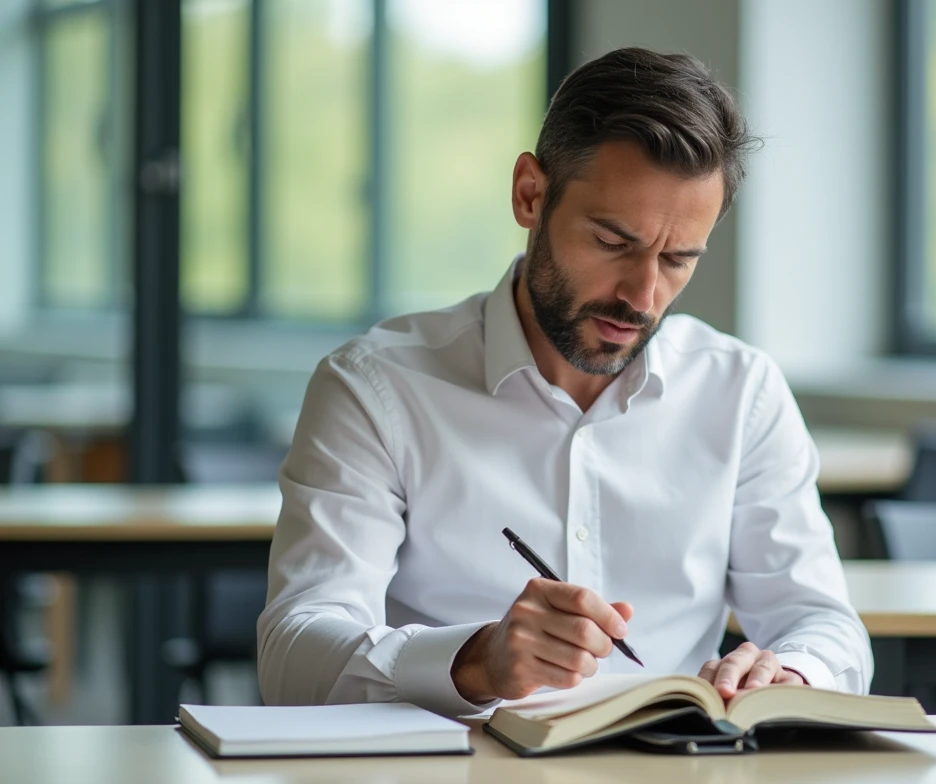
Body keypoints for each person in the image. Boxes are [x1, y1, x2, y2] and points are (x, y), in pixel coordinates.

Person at [257, 47, 872, 717]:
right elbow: (292, 657)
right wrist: (474, 662)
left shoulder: (741, 392)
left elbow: (825, 625)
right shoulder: (376, 389)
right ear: (530, 194)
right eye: (613, 243)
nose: (642, 295)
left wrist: (790, 671)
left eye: (676, 259)